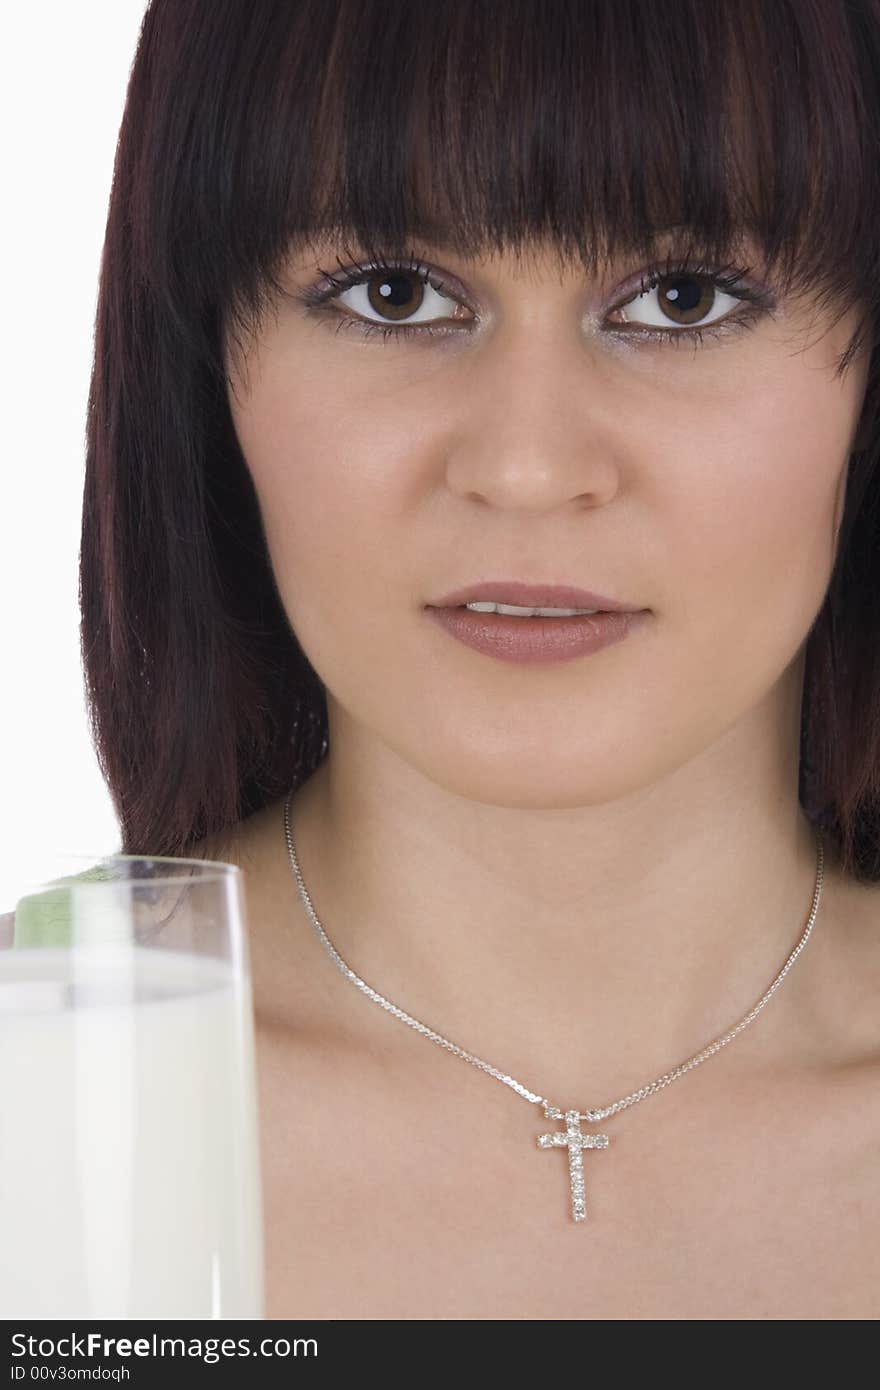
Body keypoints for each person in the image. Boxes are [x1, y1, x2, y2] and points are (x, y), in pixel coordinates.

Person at [80, 0, 880, 1318]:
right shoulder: (35, 1095)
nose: (526, 465)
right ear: (209, 353)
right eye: (393, 294)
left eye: (683, 297)